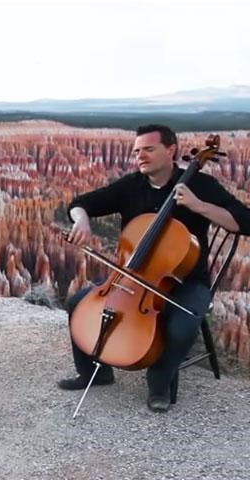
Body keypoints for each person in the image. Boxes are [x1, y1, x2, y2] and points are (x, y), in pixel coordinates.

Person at [59, 124, 250, 412]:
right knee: (78, 302)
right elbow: (80, 203)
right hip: (131, 275)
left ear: (171, 150)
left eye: (148, 149)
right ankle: (92, 373)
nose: (140, 156)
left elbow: (244, 222)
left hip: (187, 280)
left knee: (183, 323)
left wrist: (199, 206)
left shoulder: (201, 186)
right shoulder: (131, 185)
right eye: (137, 150)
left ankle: (159, 380)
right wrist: (81, 220)